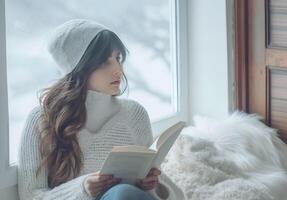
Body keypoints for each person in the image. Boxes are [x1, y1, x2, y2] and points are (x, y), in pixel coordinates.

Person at [17, 19, 185, 200]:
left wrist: (151, 183)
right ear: (79, 68)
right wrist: (82, 188)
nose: (118, 70)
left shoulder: (134, 114)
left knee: (124, 193)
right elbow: (30, 196)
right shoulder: (41, 119)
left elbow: (169, 194)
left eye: (118, 58)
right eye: (105, 62)